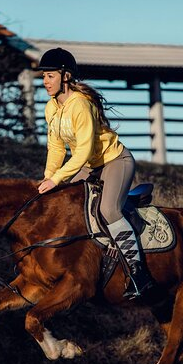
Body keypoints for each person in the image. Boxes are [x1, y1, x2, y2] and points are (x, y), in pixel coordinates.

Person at [35, 47, 153, 299]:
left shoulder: (80, 105)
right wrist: (49, 177)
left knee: (108, 210)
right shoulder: (51, 108)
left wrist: (58, 178)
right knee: (60, 200)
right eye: (43, 76)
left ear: (65, 76)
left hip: (114, 161)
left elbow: (83, 151)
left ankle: (138, 272)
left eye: (50, 76)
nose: (45, 81)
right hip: (89, 166)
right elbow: (56, 147)